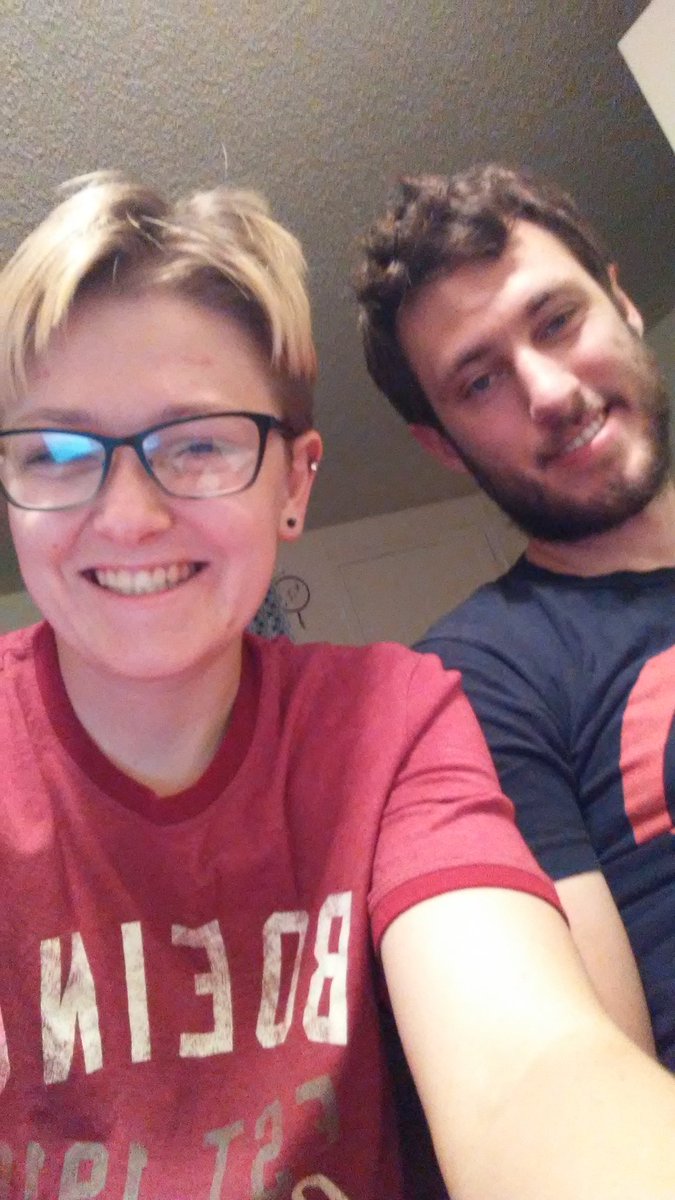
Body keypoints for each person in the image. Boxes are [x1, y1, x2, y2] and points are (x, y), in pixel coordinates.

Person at [1, 177, 675, 1200]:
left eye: (199, 443)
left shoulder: (393, 720)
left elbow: (531, 1071)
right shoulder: (489, 669)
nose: (129, 517)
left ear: (295, 484)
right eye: (56, 451)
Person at [354, 162, 675, 1070]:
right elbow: (595, 1082)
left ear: (621, 302)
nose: (550, 392)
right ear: (441, 447)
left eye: (557, 321)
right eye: (478, 383)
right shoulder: (469, 681)